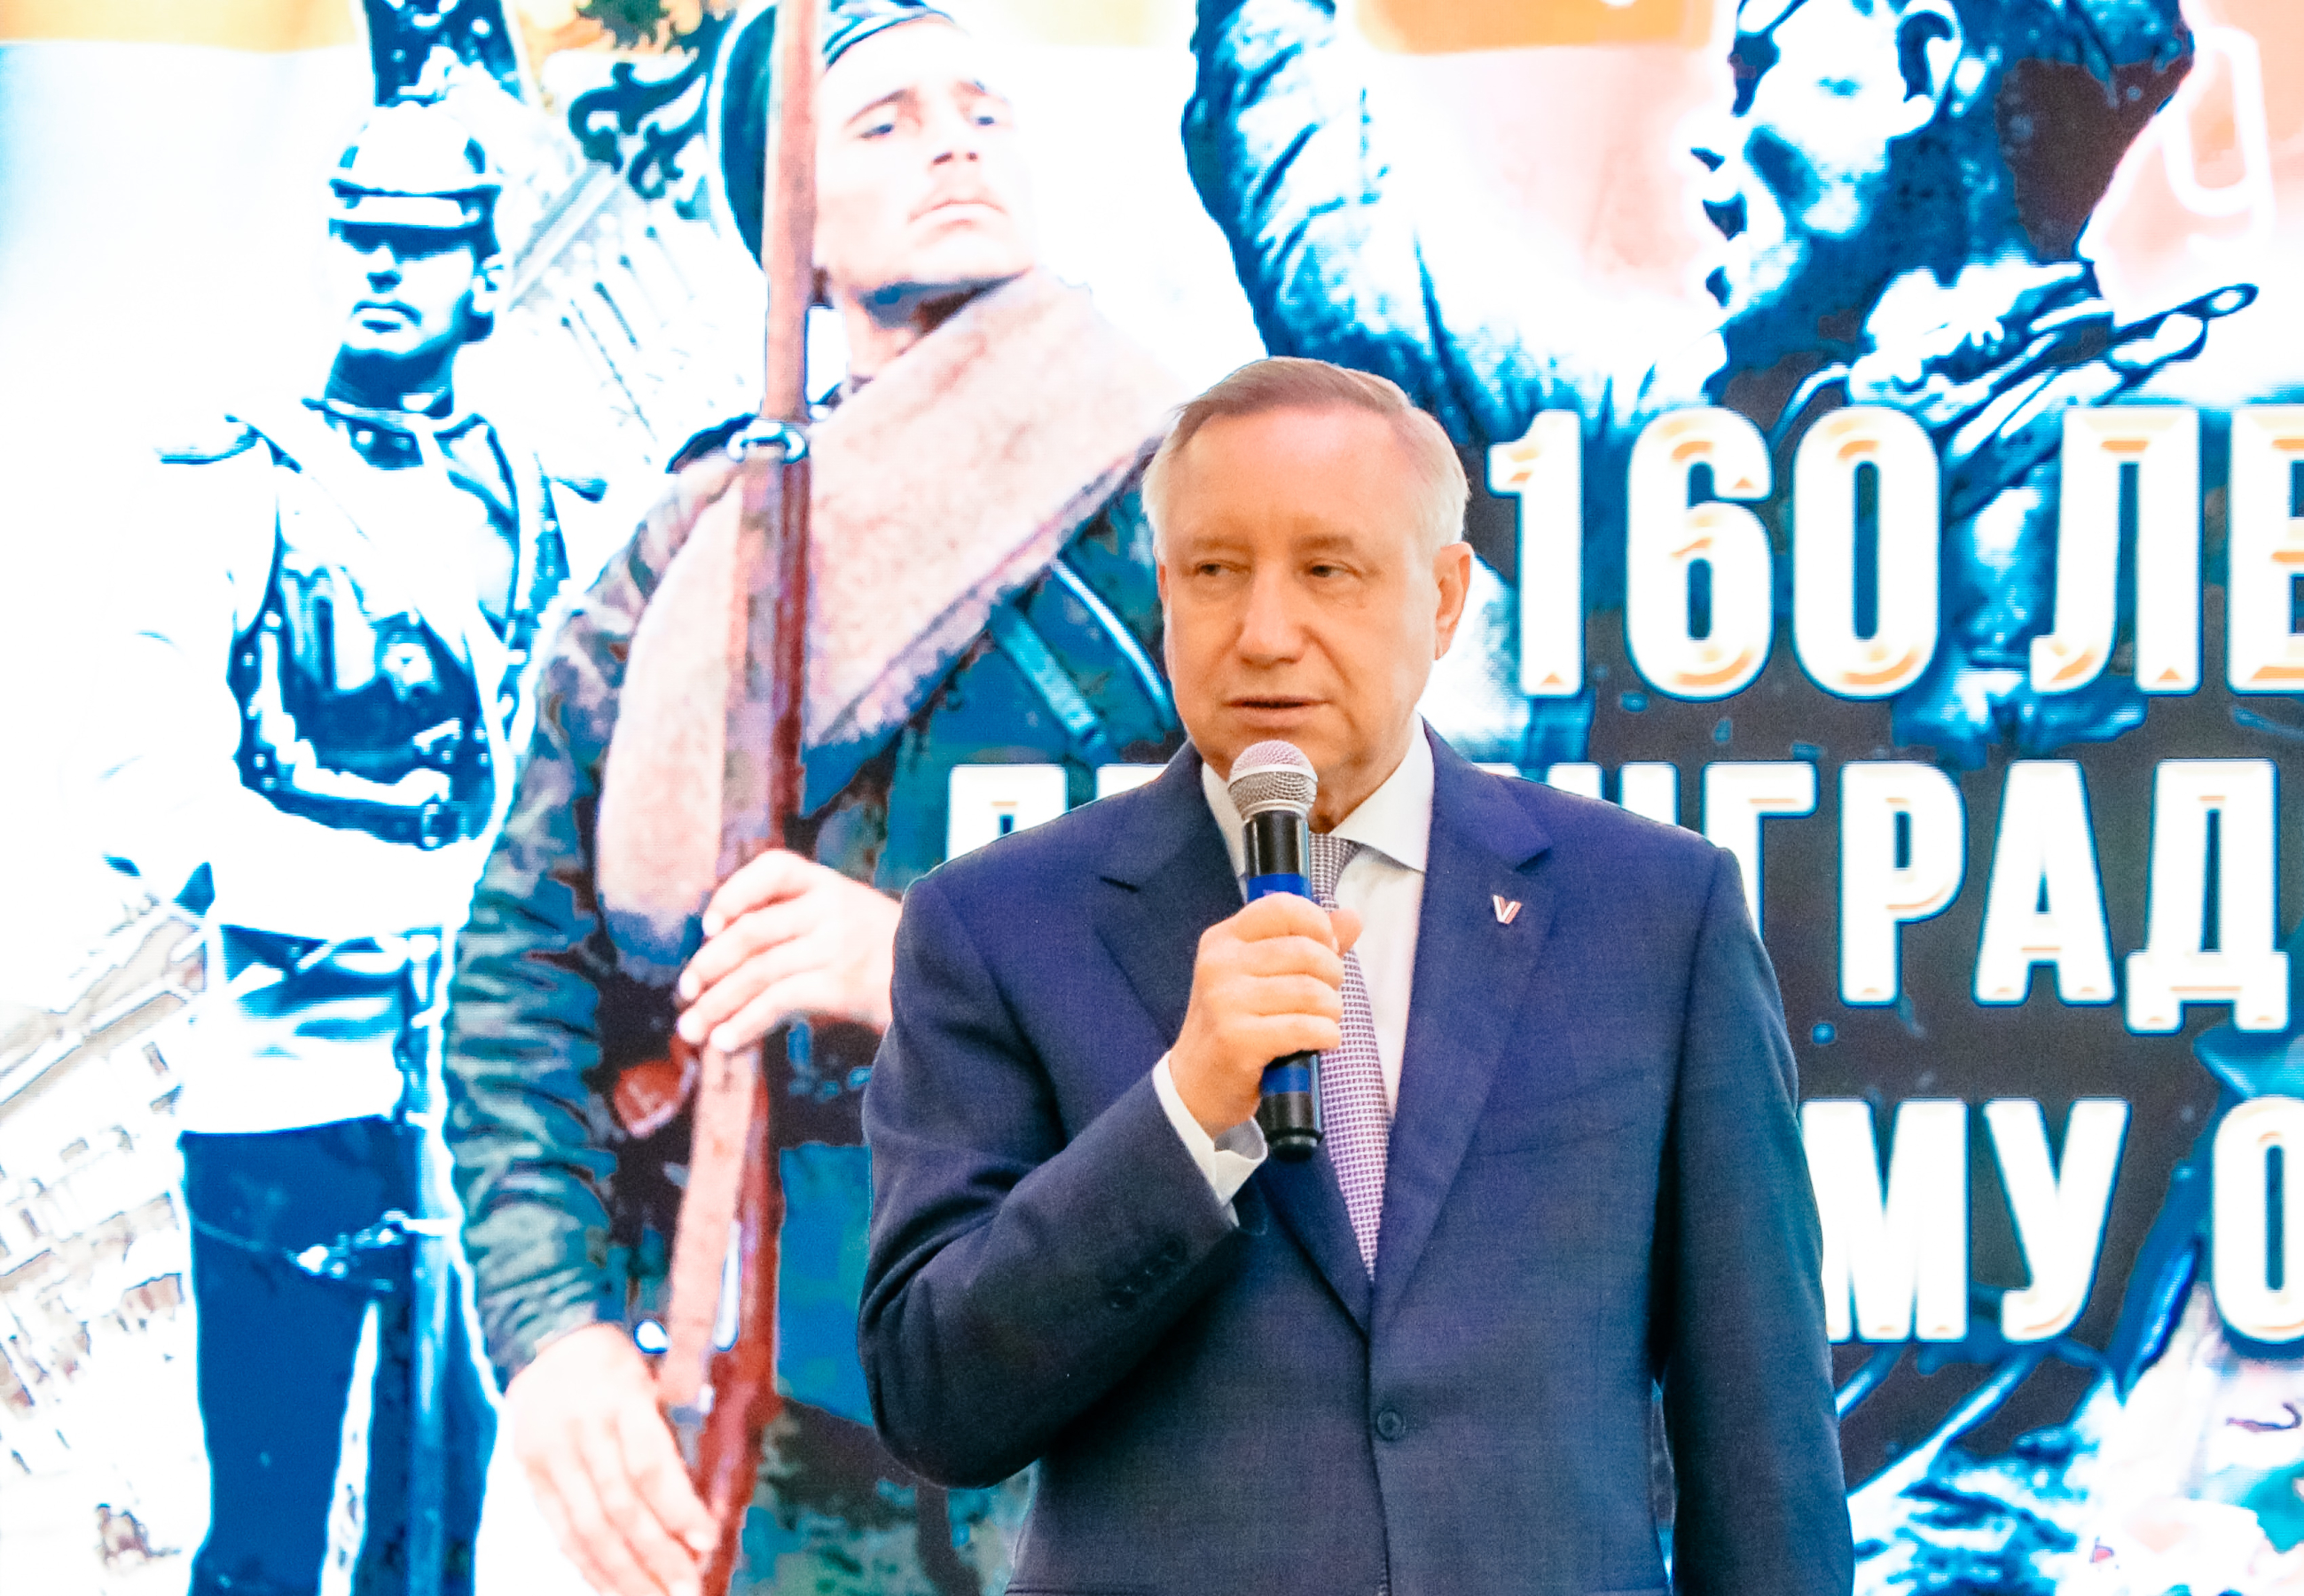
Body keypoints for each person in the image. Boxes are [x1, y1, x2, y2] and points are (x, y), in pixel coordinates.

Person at [858, 356, 1853, 1593]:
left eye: (1327, 570)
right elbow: (936, 1398)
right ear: (1164, 595)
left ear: (1441, 600)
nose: (1265, 633)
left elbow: (1760, 1431)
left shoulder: (1653, 914)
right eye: (1215, 572)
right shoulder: (995, 927)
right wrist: (1186, 1113)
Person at [439, 4, 1184, 1592]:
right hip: (778, 1427)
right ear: (795, 225)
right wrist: (555, 1331)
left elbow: (1349, 944)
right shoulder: (686, 561)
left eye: (981, 107)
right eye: (884, 121)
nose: (954, 140)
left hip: (1121, 1410)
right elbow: (521, 977)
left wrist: (929, 967)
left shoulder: (1207, 507)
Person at [1185, 0, 2249, 768]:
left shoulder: (2208, 485)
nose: (1709, 142)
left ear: (1919, 67)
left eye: (1756, 68)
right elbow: (1355, 286)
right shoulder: (1687, 446)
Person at [84, 98, 593, 1595]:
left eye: (419, 243)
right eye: (361, 236)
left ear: (480, 269)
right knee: (263, 1543)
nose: (383, 267)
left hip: (481, 1102)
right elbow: (142, 789)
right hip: (286, 1090)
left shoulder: (544, 500)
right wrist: (405, 901)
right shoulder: (237, 482)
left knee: (437, 1546)